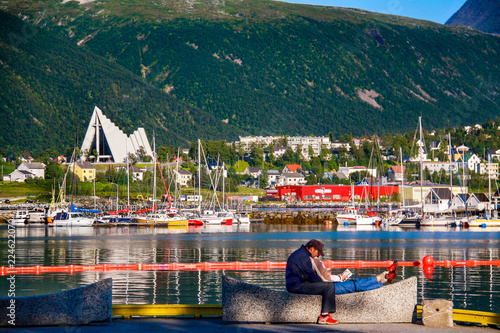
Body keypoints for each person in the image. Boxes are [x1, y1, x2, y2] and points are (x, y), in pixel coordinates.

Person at [285, 239, 398, 325]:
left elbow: (313, 276)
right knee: (347, 285)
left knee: (352, 284)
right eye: (318, 252)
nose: (318, 255)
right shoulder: (305, 258)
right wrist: (330, 281)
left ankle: (382, 278)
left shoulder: (302, 254)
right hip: (298, 286)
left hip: (300, 284)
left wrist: (328, 280)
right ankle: (324, 316)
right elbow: (314, 277)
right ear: (312, 249)